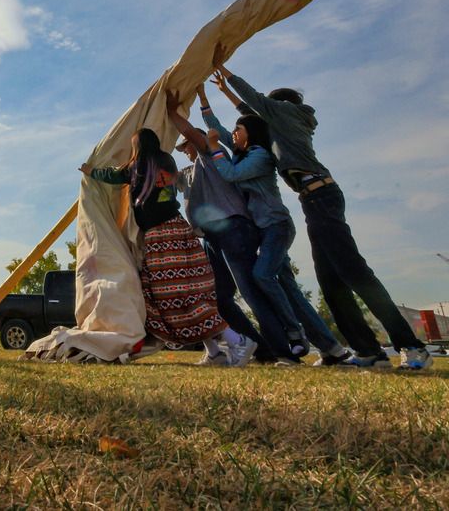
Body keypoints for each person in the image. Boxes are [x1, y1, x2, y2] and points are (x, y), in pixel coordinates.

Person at [213, 61, 431, 372]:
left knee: (356, 274)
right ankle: (368, 351)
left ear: (280, 104)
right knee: (330, 282)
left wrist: (226, 72)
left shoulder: (286, 113)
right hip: (313, 199)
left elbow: (257, 104)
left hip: (322, 196)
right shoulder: (284, 123)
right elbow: (253, 110)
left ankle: (412, 346)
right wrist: (227, 93)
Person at [202, 81, 351, 366]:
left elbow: (231, 174)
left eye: (239, 130)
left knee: (262, 276)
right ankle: (333, 349)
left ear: (251, 134)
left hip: (276, 227)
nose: (232, 134)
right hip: (265, 229)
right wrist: (203, 97)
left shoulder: (259, 157)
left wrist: (213, 148)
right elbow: (219, 129)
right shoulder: (243, 150)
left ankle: (295, 332)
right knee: (290, 289)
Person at [82, 128, 256, 366]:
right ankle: (214, 352)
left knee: (171, 296)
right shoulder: (166, 162)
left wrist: (90, 170)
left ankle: (237, 341)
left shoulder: (139, 166)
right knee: (190, 293)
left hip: (162, 237)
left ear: (139, 148)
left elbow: (113, 175)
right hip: (180, 230)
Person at [166, 94, 282, 365]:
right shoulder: (188, 172)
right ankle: (256, 346)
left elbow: (193, 135)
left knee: (251, 291)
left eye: (186, 145)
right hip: (212, 236)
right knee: (217, 296)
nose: (185, 149)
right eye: (182, 148)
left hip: (233, 228)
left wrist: (172, 113)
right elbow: (166, 176)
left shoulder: (212, 155)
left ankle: (282, 349)